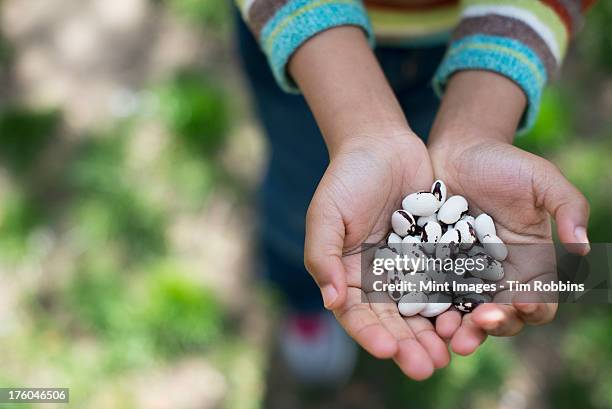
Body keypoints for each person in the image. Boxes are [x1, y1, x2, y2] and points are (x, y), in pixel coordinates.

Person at [235, 0, 594, 383]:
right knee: (304, 211)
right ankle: (304, 298)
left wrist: (475, 127)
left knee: (398, 173)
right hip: (301, 41)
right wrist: (362, 127)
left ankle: (312, 288)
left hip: (460, 50)